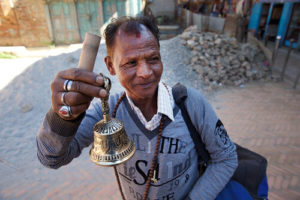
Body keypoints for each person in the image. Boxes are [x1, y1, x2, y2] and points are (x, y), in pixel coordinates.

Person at [37, 16, 238, 200]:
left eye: (153, 59)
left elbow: (226, 158)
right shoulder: (107, 114)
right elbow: (51, 159)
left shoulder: (190, 104)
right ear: (110, 67)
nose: (145, 72)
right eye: (131, 63)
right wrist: (63, 117)